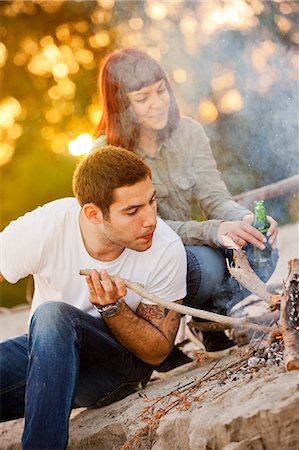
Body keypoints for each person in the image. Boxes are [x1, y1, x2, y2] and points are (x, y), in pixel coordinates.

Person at [92, 48, 278, 356]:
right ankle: (154, 338)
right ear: (120, 104)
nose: (157, 104)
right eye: (142, 98)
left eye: (161, 91)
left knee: (263, 250)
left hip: (187, 248)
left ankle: (211, 326)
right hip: (140, 268)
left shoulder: (188, 132)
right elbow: (146, 228)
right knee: (199, 264)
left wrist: (246, 222)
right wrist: (214, 231)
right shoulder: (106, 153)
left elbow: (215, 197)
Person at [0, 146, 187, 449]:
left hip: (119, 370)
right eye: (132, 211)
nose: (150, 219)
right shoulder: (46, 227)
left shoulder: (165, 248)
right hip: (47, 360)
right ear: (92, 213)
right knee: (49, 322)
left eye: (152, 201)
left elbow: (156, 353)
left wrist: (114, 310)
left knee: (52, 315)